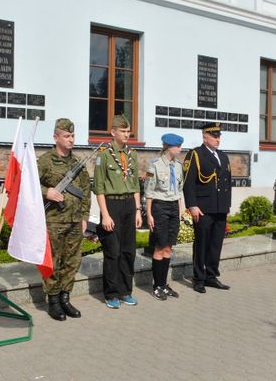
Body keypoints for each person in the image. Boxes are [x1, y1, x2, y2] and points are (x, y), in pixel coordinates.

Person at [38, 118, 91, 321]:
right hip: (54, 220)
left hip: (75, 220)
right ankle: (53, 301)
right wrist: (47, 191)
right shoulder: (45, 161)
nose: (71, 140)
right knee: (54, 262)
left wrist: (85, 216)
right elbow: (28, 182)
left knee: (72, 261)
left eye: (72, 136)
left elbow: (86, 191)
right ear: (56, 137)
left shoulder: (77, 163)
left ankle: (65, 298)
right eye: (66, 136)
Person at [94, 115, 142, 309]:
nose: (126, 134)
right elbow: (99, 187)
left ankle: (125, 291)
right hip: (112, 205)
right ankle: (111, 293)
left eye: (128, 130)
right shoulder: (103, 154)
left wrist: (138, 210)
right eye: (122, 131)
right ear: (113, 132)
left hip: (129, 205)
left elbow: (136, 184)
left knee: (128, 251)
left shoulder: (133, 154)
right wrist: (105, 214)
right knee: (112, 252)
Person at [183, 122, 232, 293]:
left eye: (219, 136)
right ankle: (199, 278)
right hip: (203, 207)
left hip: (220, 207)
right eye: (214, 136)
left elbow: (228, 183)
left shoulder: (223, 156)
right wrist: (192, 206)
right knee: (202, 243)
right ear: (205, 137)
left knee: (216, 244)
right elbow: (188, 183)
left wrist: (227, 205)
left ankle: (211, 276)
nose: (218, 139)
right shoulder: (195, 154)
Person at [145, 133, 184, 300]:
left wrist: (180, 209)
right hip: (159, 207)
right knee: (159, 247)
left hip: (174, 207)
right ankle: (156, 285)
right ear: (169, 147)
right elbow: (149, 191)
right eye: (178, 146)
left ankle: (164, 284)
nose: (181, 149)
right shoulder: (154, 166)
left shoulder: (178, 166)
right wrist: (149, 214)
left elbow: (180, 189)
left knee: (169, 246)